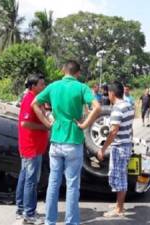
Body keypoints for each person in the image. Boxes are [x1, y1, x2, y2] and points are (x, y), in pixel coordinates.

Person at [32, 60, 101, 225]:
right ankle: (71, 222)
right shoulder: (82, 87)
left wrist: (47, 123)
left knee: (53, 184)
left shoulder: (53, 86)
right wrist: (85, 124)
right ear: (77, 73)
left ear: (64, 70)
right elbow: (97, 107)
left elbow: (35, 103)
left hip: (55, 142)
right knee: (72, 186)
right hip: (73, 142)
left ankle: (50, 221)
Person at [97, 81, 135, 217]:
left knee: (119, 177)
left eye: (108, 93)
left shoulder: (117, 108)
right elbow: (129, 127)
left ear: (112, 93)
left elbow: (113, 132)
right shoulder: (129, 105)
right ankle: (119, 204)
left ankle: (119, 208)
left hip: (119, 147)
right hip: (126, 144)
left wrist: (102, 149)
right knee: (120, 175)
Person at [16, 74, 49, 225]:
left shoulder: (36, 99)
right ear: (33, 86)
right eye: (41, 84)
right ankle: (29, 214)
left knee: (24, 178)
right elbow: (24, 123)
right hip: (31, 147)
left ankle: (21, 209)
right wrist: (44, 127)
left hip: (33, 147)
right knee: (30, 181)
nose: (44, 87)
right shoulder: (29, 99)